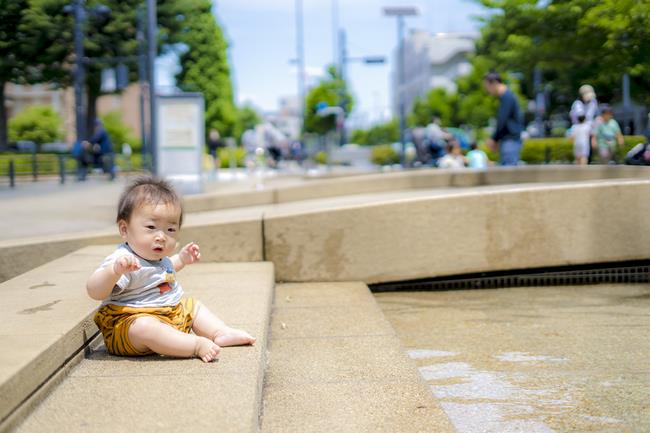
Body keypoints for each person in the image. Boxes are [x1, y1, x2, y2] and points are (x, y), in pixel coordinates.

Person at [87, 176, 256, 362]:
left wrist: (181, 260)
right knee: (146, 327)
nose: (161, 236)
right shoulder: (124, 260)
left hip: (169, 315)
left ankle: (219, 332)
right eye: (151, 227)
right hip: (129, 327)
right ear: (124, 229)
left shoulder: (158, 258)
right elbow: (95, 290)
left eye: (170, 230)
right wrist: (114, 271)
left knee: (193, 306)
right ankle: (195, 345)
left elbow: (164, 272)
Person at [484, 72, 523, 166]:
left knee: (508, 173)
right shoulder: (507, 97)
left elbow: (502, 120)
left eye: (487, 87)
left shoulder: (507, 97)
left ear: (494, 83)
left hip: (510, 141)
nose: (487, 90)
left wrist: (494, 139)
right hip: (510, 141)